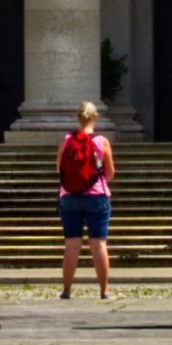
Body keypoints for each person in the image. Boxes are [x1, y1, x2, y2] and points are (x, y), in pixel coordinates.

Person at [55, 100, 116, 301]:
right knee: (98, 245)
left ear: (78, 118)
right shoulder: (102, 141)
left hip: (69, 196)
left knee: (72, 245)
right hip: (97, 195)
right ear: (95, 118)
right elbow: (110, 173)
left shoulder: (66, 140)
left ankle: (66, 290)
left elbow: (59, 170)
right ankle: (104, 291)